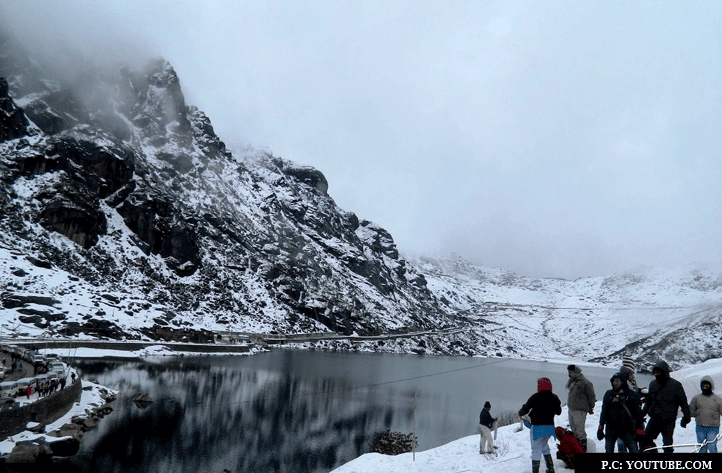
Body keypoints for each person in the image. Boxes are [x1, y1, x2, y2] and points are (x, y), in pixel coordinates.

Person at [641, 360, 691, 453]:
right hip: (655, 418)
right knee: (646, 440)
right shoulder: (653, 384)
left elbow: (683, 402)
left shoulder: (676, 385)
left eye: (658, 372)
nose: (656, 374)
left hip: (668, 420)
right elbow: (648, 402)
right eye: (655, 372)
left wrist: (686, 416)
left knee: (667, 444)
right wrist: (642, 414)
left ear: (664, 371)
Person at [519, 377, 562, 473]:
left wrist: (520, 412)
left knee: (536, 450)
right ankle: (550, 468)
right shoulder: (554, 397)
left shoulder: (535, 397)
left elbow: (524, 410)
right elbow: (559, 412)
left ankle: (536, 471)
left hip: (537, 428)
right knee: (544, 446)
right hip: (549, 428)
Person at [597, 372, 644, 453]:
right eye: (613, 381)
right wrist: (600, 428)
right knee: (608, 451)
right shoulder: (609, 394)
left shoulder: (632, 395)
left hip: (627, 429)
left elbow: (637, 415)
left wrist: (640, 430)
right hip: (611, 428)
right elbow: (604, 412)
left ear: (622, 381)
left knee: (634, 450)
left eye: (617, 381)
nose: (615, 383)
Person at [566, 364, 596, 451]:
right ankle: (576, 449)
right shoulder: (573, 381)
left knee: (580, 431)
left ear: (576, 372)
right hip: (571, 409)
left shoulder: (585, 383)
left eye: (571, 372)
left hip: (580, 410)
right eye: (569, 372)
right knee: (574, 429)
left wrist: (590, 407)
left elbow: (591, 396)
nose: (569, 374)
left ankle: (583, 449)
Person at [689, 375, 722, 453]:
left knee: (712, 446)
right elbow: (691, 411)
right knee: (702, 447)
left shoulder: (717, 400)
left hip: (713, 427)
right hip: (700, 427)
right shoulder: (696, 399)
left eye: (707, 385)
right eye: (703, 386)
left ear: (711, 386)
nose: (705, 387)